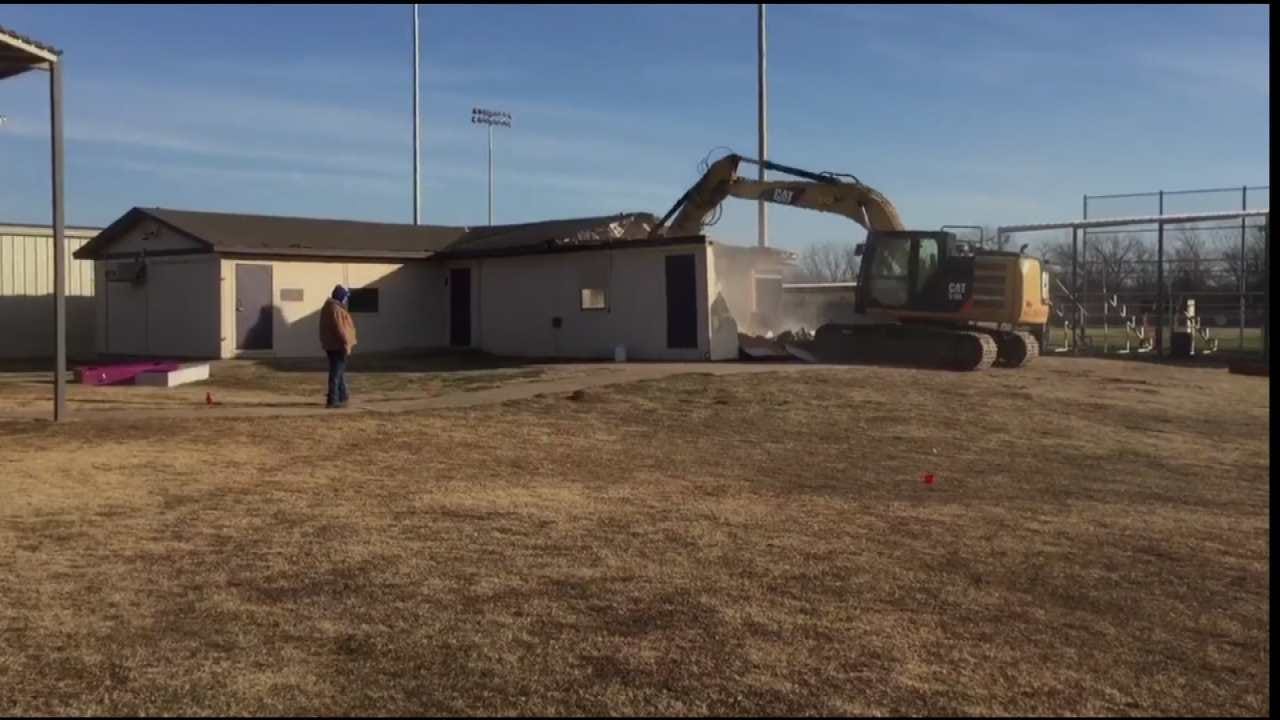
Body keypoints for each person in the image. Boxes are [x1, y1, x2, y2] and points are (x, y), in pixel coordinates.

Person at [319, 285, 358, 408]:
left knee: (338, 372)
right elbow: (340, 329)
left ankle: (342, 395)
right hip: (337, 345)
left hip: (331, 344)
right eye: (345, 297)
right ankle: (333, 399)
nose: (346, 300)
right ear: (341, 297)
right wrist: (346, 343)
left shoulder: (328, 307)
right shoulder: (336, 309)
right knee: (336, 373)